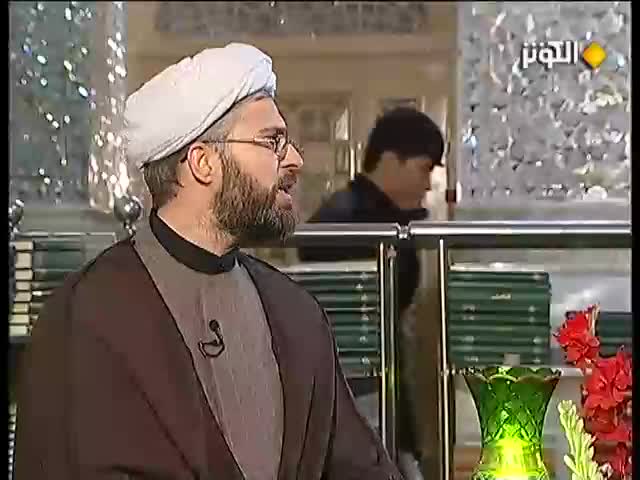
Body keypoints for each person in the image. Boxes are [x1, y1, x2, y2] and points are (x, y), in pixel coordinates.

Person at [15, 43, 403, 480]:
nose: (294, 160)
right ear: (203, 163)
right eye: (272, 142)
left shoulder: (296, 315)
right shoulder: (87, 317)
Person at [298, 107, 445, 479]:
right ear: (392, 161)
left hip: (381, 387)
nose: (429, 184)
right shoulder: (343, 222)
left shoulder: (389, 220)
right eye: (424, 169)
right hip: (356, 393)